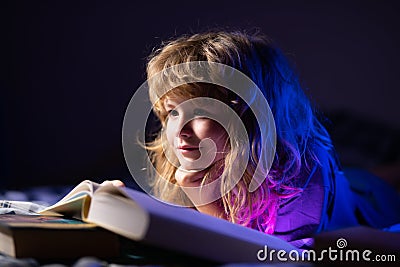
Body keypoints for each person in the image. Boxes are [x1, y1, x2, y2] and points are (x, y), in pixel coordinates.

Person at [143, 30, 400, 248]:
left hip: (370, 202)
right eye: (173, 111)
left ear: (246, 114)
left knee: (376, 183)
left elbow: (261, 251)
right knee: (365, 176)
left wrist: (205, 199)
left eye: (199, 111)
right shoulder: (185, 160)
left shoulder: (302, 178)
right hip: (356, 182)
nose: (179, 131)